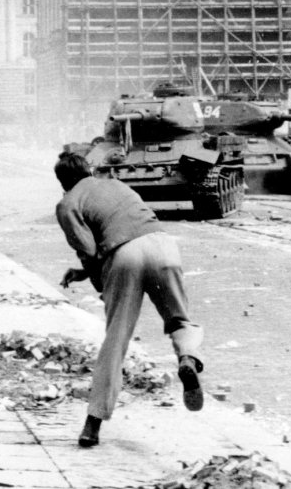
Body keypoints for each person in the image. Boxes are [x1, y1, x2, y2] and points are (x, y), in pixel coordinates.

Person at [54, 152, 204, 448]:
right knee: (179, 320)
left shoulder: (68, 203)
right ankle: (187, 357)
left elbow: (89, 250)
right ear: (88, 170)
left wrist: (99, 282)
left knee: (117, 338)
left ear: (62, 182)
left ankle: (93, 423)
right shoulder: (115, 184)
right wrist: (87, 272)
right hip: (163, 245)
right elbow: (125, 224)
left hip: (124, 257)